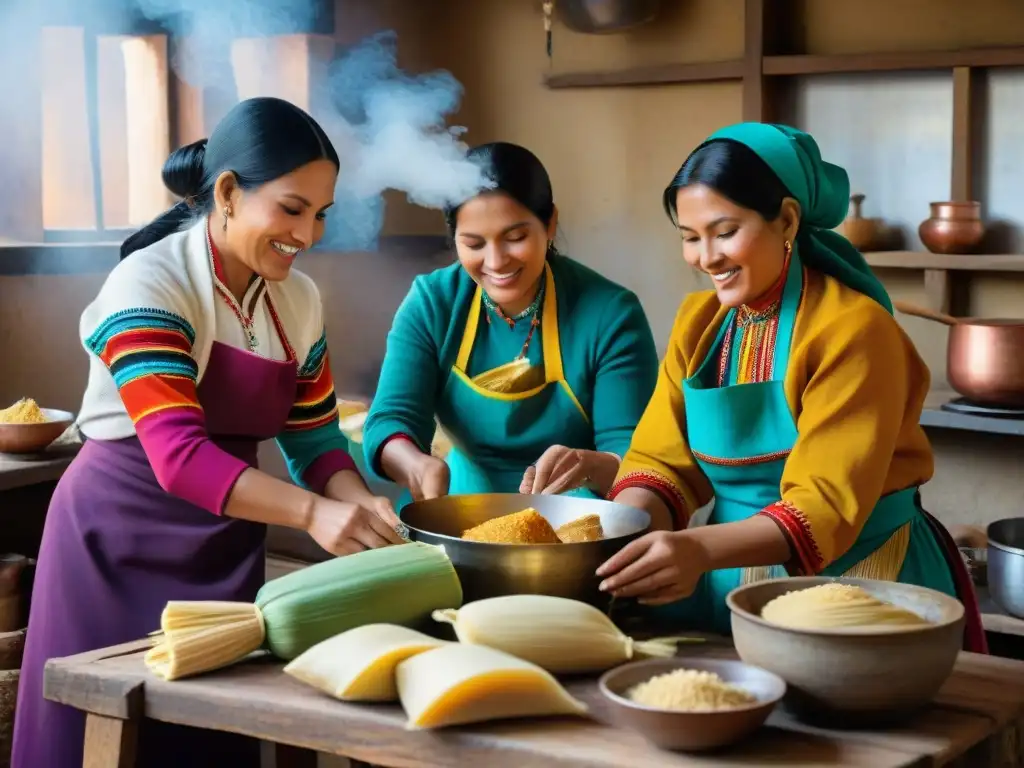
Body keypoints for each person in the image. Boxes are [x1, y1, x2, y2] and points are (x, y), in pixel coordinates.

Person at [13, 97, 405, 768]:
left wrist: (355, 498)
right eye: (290, 208)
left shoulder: (299, 300)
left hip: (223, 545)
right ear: (227, 192)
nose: (307, 235)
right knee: (95, 740)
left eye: (319, 215)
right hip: (116, 539)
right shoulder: (148, 283)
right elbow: (180, 458)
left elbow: (313, 438)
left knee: (207, 743)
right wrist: (315, 513)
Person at [594, 122, 987, 652]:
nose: (705, 257)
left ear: (786, 219)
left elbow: (823, 504)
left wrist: (696, 550)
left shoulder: (854, 331)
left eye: (724, 231)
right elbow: (662, 460)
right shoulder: (698, 323)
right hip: (719, 579)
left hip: (862, 582)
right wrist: (629, 529)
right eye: (690, 238)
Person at [362, 142, 659, 504]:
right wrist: (416, 466)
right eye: (473, 244)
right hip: (459, 507)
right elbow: (391, 420)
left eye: (515, 238)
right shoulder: (433, 302)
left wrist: (587, 465)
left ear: (550, 224)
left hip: (575, 520)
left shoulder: (611, 313)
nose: (496, 261)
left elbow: (635, 457)